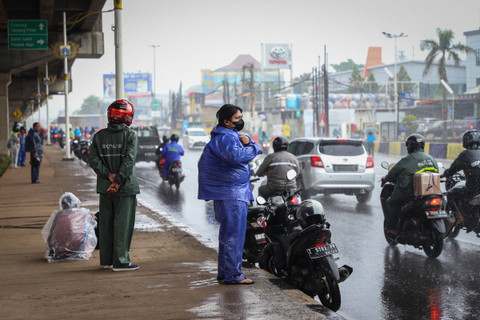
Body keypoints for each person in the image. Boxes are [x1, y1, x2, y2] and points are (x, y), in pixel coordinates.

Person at [198, 104, 262, 284]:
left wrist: (250, 142)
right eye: (237, 118)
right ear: (226, 121)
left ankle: (226, 272)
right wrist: (255, 148)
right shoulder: (226, 138)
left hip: (232, 192)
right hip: (232, 193)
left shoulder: (226, 136)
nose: (240, 121)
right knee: (234, 235)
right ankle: (232, 274)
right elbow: (237, 157)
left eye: (241, 117)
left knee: (229, 234)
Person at [89, 99, 140, 272]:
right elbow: (129, 160)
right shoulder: (130, 135)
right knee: (123, 226)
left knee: (106, 224)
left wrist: (108, 176)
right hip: (125, 188)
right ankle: (121, 262)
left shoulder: (99, 136)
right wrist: (118, 181)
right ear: (126, 117)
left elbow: (93, 160)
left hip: (105, 188)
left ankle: (107, 260)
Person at [381, 133, 439, 235]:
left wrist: (385, 178)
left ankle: (392, 229)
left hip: (409, 194)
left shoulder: (407, 159)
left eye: (408, 145)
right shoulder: (431, 159)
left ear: (410, 146)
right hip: (430, 192)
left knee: (390, 203)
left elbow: (391, 175)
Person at [442, 130, 480, 231]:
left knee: (450, 194)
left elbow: (452, 170)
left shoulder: (465, 154)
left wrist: (445, 174)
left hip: (473, 191)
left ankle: (460, 217)